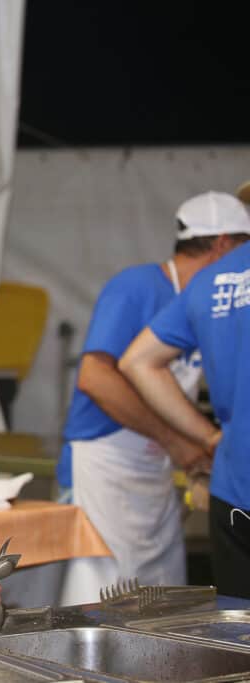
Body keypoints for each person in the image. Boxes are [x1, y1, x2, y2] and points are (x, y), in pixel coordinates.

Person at [56, 191, 249, 603]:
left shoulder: (203, 296)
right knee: (105, 596)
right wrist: (182, 441)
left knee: (160, 593)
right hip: (108, 464)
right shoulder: (136, 287)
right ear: (223, 245)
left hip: (155, 466)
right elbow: (95, 378)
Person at [120, 200, 250, 599]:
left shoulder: (212, 279)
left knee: (239, 624)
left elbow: (138, 361)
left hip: (234, 485)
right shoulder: (140, 283)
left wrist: (210, 437)